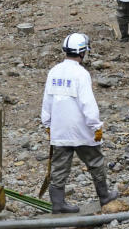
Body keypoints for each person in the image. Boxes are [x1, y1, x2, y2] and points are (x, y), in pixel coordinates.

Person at [41, 33, 118, 213]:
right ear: (83, 52)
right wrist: (96, 126)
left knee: (59, 168)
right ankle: (104, 196)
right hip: (81, 129)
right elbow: (87, 103)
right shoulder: (81, 74)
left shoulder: (54, 71)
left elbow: (47, 101)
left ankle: (58, 204)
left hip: (59, 129)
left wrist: (47, 124)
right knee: (95, 162)